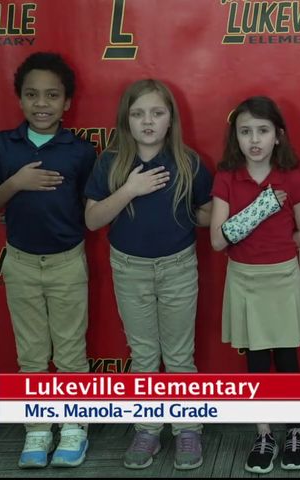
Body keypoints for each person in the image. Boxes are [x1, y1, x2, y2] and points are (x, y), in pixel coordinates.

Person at [0, 51, 95, 469]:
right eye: (32, 95)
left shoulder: (80, 150)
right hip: (21, 263)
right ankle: (37, 428)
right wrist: (16, 182)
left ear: (67, 103)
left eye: (52, 95)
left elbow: (91, 209)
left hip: (66, 262)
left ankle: (74, 427)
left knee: (71, 353)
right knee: (31, 354)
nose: (42, 103)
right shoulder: (4, 144)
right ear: (20, 100)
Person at [84, 79, 213, 471]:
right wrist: (130, 189)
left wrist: (192, 214)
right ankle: (148, 429)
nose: (148, 121)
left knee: (178, 356)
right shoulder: (111, 161)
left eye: (157, 113)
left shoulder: (188, 162)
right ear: (127, 120)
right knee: (143, 356)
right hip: (129, 268)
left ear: (170, 118)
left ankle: (187, 429)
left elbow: (207, 214)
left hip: (177, 267)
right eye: (138, 114)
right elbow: (92, 219)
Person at [210, 96, 300, 474]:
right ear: (234, 137)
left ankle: (294, 430)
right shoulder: (226, 177)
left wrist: (276, 252)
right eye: (245, 131)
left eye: (263, 130)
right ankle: (264, 433)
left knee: (287, 360)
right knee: (256, 362)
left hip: (282, 278)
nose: (254, 139)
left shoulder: (292, 177)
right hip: (244, 280)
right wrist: (261, 207)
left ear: (278, 136)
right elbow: (219, 240)